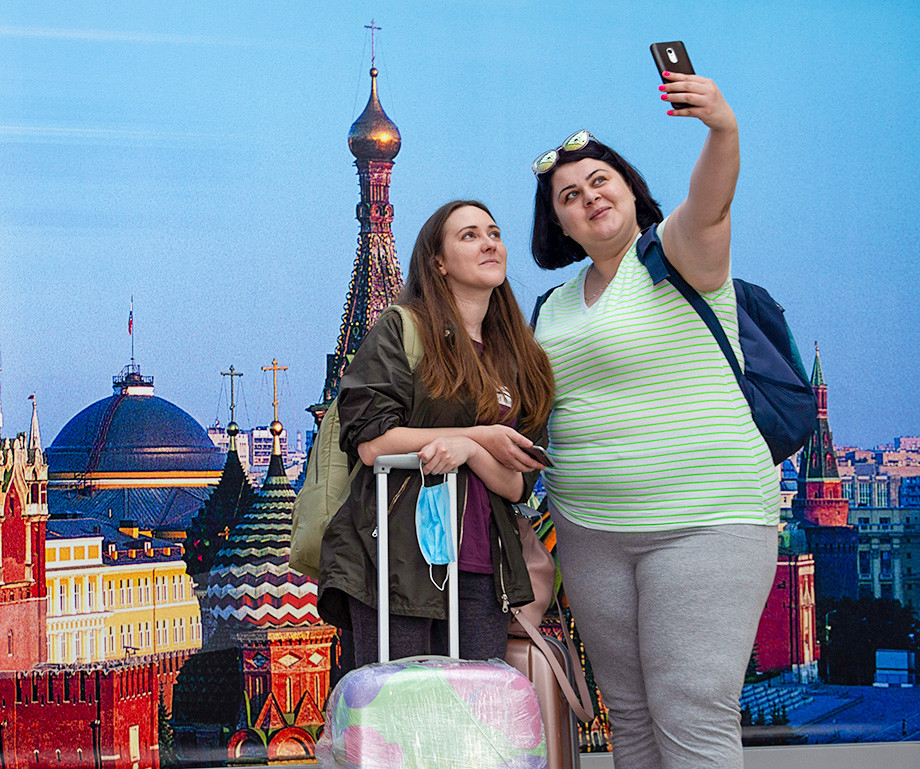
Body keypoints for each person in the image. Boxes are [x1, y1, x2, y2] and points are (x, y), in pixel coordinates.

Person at [528, 72, 779, 768]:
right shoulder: (551, 306)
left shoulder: (677, 253)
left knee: (692, 713)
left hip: (704, 518)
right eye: (569, 196)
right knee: (630, 721)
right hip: (592, 535)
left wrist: (722, 128)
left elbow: (711, 198)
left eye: (601, 180)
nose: (589, 197)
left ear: (632, 190)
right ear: (561, 223)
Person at [316, 200, 556, 667]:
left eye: (494, 232)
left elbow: (516, 483)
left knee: (470, 716)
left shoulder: (522, 359)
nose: (488, 242)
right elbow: (372, 442)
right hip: (396, 557)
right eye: (468, 235)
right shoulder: (403, 329)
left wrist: (470, 446)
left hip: (484, 566)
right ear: (438, 262)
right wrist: (480, 433)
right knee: (398, 714)